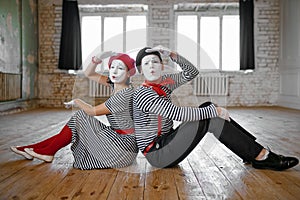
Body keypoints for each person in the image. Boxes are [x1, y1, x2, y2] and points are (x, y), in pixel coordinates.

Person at [133, 45, 299, 171]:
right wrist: (216, 111)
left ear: (162, 66)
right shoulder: (143, 94)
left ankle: (251, 153)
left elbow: (191, 72)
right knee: (211, 115)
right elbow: (177, 113)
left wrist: (172, 55)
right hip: (158, 153)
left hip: (167, 141)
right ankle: (260, 156)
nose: (152, 66)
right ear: (141, 70)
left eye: (155, 61)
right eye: (146, 63)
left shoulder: (164, 83)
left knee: (207, 106)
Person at [11, 52, 139, 169]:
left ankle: (46, 150)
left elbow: (92, 111)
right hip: (117, 138)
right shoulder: (117, 85)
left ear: (128, 73)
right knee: (76, 123)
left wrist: (77, 101)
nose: (115, 71)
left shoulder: (124, 95)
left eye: (120, 68)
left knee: (80, 116)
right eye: (112, 67)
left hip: (123, 148)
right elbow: (90, 73)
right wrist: (96, 60)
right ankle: (35, 149)